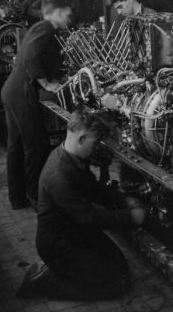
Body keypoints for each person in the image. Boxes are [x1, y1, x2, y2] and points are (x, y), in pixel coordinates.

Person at [16, 109, 146, 300]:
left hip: (73, 232)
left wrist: (124, 200)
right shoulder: (60, 174)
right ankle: (44, 280)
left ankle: (58, 272)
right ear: (82, 139)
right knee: (114, 286)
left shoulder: (71, 158)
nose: (96, 148)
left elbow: (94, 190)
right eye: (95, 143)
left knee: (119, 268)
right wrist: (130, 217)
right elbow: (90, 218)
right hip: (59, 244)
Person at [1, 0, 72, 210]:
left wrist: (58, 77)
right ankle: (35, 198)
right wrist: (47, 84)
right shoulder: (46, 28)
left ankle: (18, 198)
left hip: (12, 91)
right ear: (58, 13)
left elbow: (38, 56)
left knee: (16, 146)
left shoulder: (39, 29)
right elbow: (31, 56)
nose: (70, 19)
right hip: (22, 93)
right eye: (68, 15)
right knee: (37, 146)